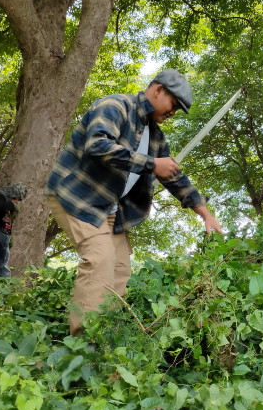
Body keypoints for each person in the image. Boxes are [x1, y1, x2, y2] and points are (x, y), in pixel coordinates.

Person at [46, 69, 222, 337]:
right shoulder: (115, 106)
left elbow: (174, 177)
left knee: (119, 269)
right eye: (174, 104)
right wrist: (152, 164)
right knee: (100, 261)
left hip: (109, 208)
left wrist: (205, 214)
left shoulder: (156, 137)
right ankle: (82, 344)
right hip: (77, 196)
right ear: (158, 90)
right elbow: (97, 145)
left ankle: (106, 333)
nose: (174, 112)